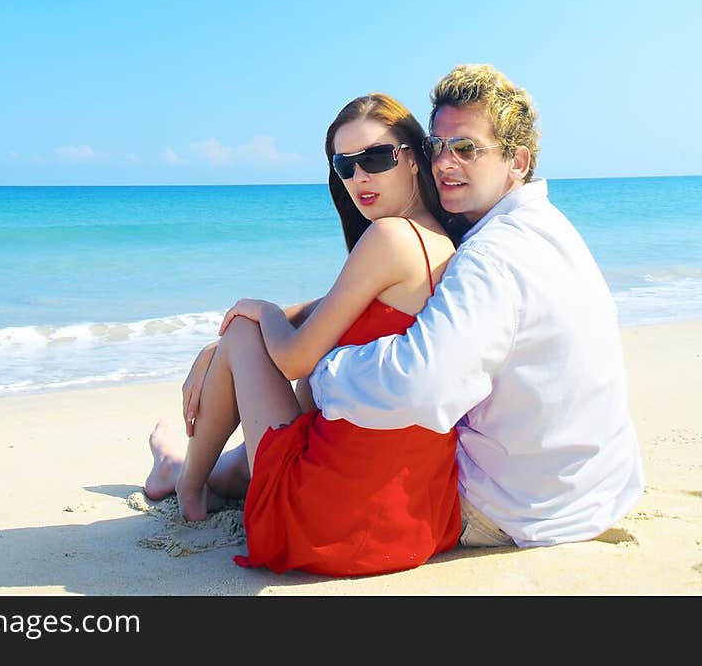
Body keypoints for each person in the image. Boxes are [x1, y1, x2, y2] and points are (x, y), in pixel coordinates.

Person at [309, 64, 645, 549]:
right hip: (597, 486)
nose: (444, 164)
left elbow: (419, 388)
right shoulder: (550, 228)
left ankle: (199, 472)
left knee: (332, 435)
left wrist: (323, 367)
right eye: (436, 147)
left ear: (518, 162)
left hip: (515, 509)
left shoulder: (490, 259)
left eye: (466, 149)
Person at [144, 93, 463, 577]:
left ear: (415, 159)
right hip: (410, 521)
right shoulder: (436, 240)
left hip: (331, 522)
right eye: (345, 166)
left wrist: (259, 312)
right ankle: (177, 468)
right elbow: (324, 309)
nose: (360, 178)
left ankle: (188, 489)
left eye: (377, 158)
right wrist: (220, 345)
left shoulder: (389, 237)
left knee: (250, 336)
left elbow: (293, 359)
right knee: (257, 375)